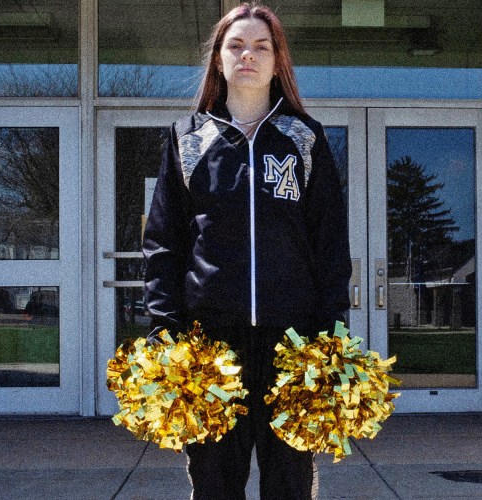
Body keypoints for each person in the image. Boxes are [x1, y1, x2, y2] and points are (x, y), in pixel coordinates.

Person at [142, 3, 351, 498]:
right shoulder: (188, 140)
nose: (248, 56)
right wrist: (166, 333)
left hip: (292, 344)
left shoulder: (304, 139)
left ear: (279, 61)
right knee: (214, 484)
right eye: (235, 45)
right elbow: (162, 245)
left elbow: (330, 246)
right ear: (218, 59)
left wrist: (328, 338)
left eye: (262, 46)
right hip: (212, 347)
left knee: (290, 484)